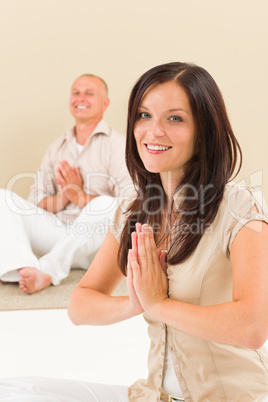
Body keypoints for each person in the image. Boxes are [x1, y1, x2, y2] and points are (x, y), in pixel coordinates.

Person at [1, 62, 268, 401]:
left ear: (205, 130)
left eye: (175, 118)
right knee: (16, 390)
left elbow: (252, 327)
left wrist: (159, 303)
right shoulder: (136, 207)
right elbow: (80, 306)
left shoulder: (241, 206)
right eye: (144, 115)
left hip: (229, 397)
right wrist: (135, 302)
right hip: (154, 395)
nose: (153, 131)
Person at [0, 73, 132, 294]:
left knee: (105, 205)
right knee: (3, 197)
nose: (81, 98)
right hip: (59, 235)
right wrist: (64, 197)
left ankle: (48, 270)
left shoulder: (119, 146)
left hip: (98, 246)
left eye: (89, 93)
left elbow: (129, 204)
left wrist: (80, 197)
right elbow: (35, 202)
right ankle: (23, 267)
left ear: (105, 103)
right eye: (76, 92)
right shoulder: (57, 147)